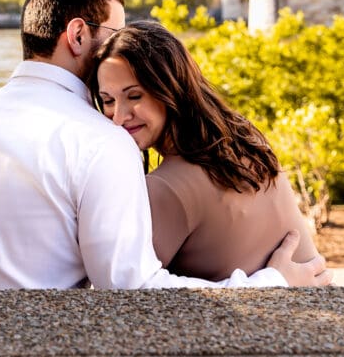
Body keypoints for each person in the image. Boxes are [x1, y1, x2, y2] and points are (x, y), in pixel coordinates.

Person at [0, 0, 331, 291]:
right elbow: (130, 290)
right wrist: (268, 283)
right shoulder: (98, 140)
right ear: (79, 35)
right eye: (116, 33)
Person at [92, 20, 320, 281]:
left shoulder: (166, 188)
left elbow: (129, 293)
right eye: (108, 101)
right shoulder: (245, 140)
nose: (118, 117)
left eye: (134, 96)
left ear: (170, 88)